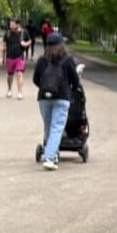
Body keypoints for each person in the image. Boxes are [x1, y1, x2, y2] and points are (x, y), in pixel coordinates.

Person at [33, 33, 82, 170]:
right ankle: (49, 157)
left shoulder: (42, 60)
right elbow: (75, 81)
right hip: (62, 97)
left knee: (48, 127)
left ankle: (52, 153)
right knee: (57, 127)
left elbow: (36, 79)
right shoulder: (68, 60)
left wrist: (46, 88)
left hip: (44, 98)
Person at [3, 17, 32, 98]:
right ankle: (9, 89)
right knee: (10, 75)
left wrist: (25, 44)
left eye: (12, 24)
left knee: (19, 74)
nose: (11, 26)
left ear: (18, 24)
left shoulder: (24, 32)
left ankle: (20, 92)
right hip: (9, 57)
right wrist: (2, 57)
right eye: (10, 24)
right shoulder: (7, 33)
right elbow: (3, 44)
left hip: (20, 57)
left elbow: (30, 41)